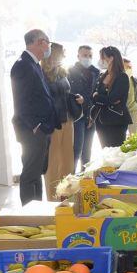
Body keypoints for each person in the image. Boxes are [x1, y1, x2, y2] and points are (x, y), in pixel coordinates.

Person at [11, 29, 57, 204]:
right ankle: (29, 214)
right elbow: (21, 100)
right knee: (30, 173)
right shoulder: (22, 65)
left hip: (40, 128)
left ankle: (37, 207)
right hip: (31, 130)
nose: (48, 47)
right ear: (39, 42)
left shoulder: (33, 64)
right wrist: (35, 125)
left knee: (37, 171)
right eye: (47, 42)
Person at [42, 43, 83, 200]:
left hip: (68, 121)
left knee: (67, 159)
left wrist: (77, 99)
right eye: (61, 54)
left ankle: (66, 195)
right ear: (52, 55)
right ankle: (52, 198)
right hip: (53, 122)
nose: (64, 57)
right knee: (53, 162)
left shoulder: (62, 72)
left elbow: (65, 94)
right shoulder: (42, 74)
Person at [92, 46, 132, 147]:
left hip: (116, 121)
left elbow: (113, 98)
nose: (100, 60)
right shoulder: (103, 75)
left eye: (102, 57)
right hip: (101, 121)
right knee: (105, 154)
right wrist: (99, 98)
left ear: (111, 58)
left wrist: (98, 97)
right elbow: (93, 95)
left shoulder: (122, 77)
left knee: (115, 155)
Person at [68, 45, 98, 172]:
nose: (87, 58)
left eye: (90, 56)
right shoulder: (70, 71)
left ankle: (85, 180)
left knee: (87, 152)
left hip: (91, 116)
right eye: (85, 55)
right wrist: (83, 99)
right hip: (78, 116)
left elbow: (96, 94)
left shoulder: (95, 72)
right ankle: (71, 179)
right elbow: (70, 93)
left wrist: (92, 114)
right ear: (78, 56)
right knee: (77, 150)